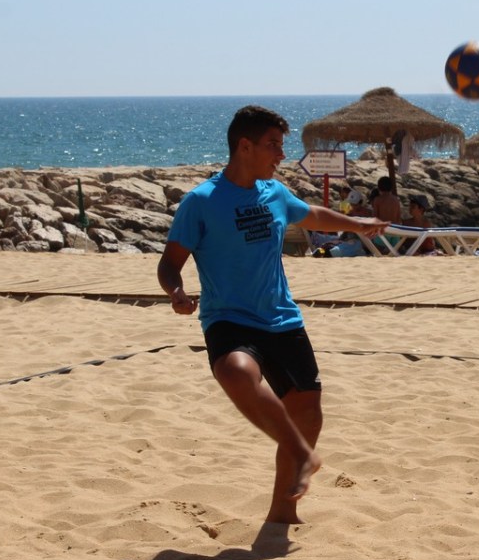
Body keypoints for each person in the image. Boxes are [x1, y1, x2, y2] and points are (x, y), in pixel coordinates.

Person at [156, 105, 386, 523]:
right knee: (235, 372)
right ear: (245, 146)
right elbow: (169, 263)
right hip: (229, 318)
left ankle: (282, 512)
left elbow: (312, 215)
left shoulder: (275, 192)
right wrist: (176, 292)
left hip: (282, 318)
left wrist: (357, 224)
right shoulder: (201, 202)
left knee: (308, 413)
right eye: (273, 145)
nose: (281, 154)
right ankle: (301, 453)